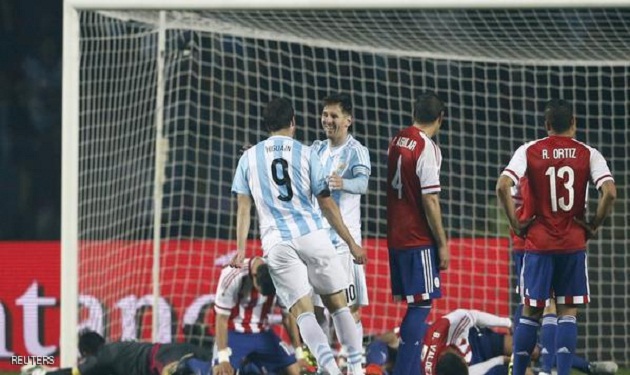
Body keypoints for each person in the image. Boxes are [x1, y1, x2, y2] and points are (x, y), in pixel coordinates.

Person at [230, 97, 367, 375]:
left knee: (304, 313)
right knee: (338, 305)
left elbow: (243, 209)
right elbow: (327, 204)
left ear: (266, 124)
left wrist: (241, 250)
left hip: (277, 245)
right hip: (313, 236)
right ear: (293, 122)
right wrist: (352, 243)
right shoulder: (307, 154)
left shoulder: (248, 158)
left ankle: (329, 369)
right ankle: (356, 367)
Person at [496, 99, 616, 375]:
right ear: (573, 124)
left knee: (531, 312)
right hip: (573, 243)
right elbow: (609, 192)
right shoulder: (588, 153)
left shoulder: (529, 150)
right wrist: (595, 223)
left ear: (547, 125)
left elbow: (503, 185)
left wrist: (516, 223)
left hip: (538, 244)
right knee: (567, 312)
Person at [386, 91, 449, 375]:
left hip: (395, 236)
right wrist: (443, 244)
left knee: (415, 304)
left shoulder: (397, 139)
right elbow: (430, 199)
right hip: (417, 238)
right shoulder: (428, 148)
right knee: (422, 305)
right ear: (440, 118)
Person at [310, 93, 371, 355]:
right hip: (316, 242)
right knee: (316, 308)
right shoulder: (317, 149)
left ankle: (352, 363)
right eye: (325, 114)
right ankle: (323, 364)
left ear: (348, 120)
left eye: (334, 115)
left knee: (349, 308)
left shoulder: (357, 151)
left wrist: (343, 183)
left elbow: (363, 184)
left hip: (344, 245)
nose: (327, 120)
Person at [212, 256, 301, 375]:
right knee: (221, 372)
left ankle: (249, 367)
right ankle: (191, 363)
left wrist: (299, 354)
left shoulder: (280, 277)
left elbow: (288, 317)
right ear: (254, 275)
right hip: (233, 332)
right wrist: (223, 358)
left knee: (295, 370)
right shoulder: (232, 275)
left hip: (262, 333)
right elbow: (221, 319)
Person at [22, 330, 212, 375]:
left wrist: (45, 373)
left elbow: (75, 372)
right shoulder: (120, 350)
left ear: (88, 353)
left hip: (164, 360)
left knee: (176, 370)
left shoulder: (104, 356)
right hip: (179, 349)